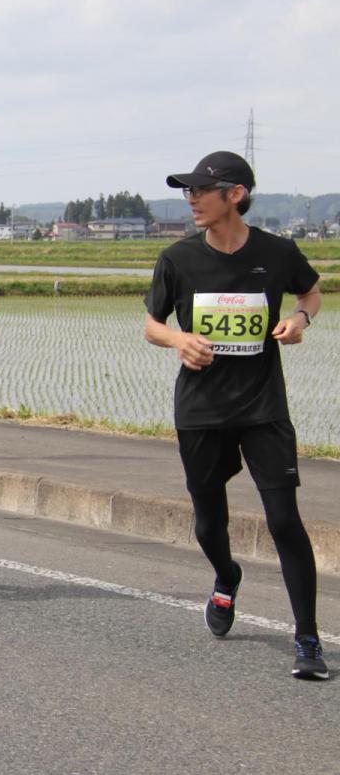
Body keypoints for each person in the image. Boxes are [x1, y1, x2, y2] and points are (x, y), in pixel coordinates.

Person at [146, 151, 328, 681]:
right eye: (188, 192)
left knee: (284, 520)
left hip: (263, 406)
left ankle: (308, 640)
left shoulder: (277, 252)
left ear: (236, 195)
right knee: (208, 520)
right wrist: (179, 339)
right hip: (201, 410)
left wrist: (299, 320)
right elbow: (152, 325)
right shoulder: (178, 259)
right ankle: (226, 577)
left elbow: (311, 293)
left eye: (202, 190)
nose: (192, 199)